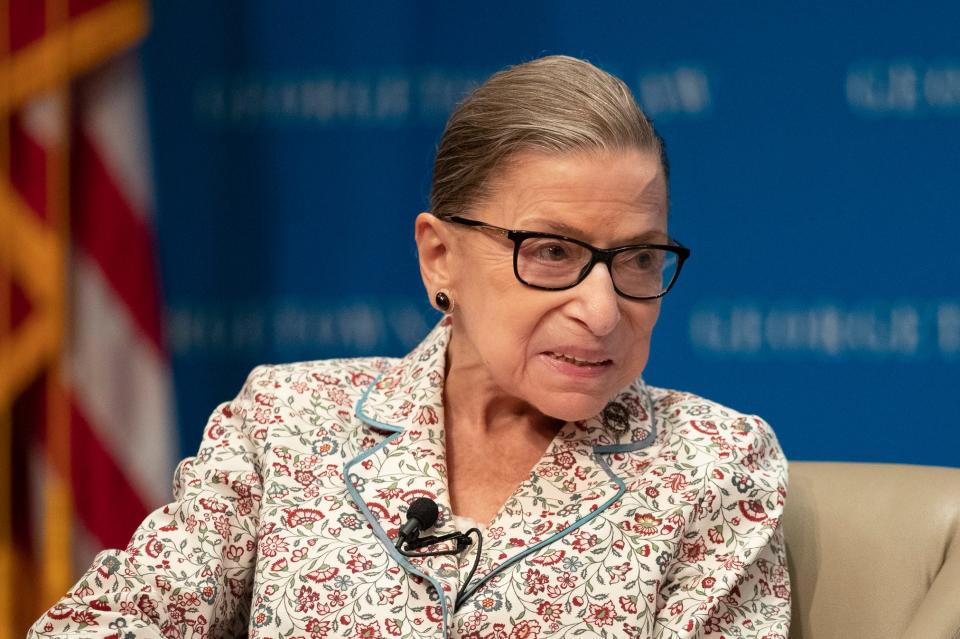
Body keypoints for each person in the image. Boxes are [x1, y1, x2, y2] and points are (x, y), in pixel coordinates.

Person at [29, 55, 790, 639]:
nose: (602, 309)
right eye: (552, 253)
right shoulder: (287, 421)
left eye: (637, 258)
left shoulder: (714, 463)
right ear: (439, 258)